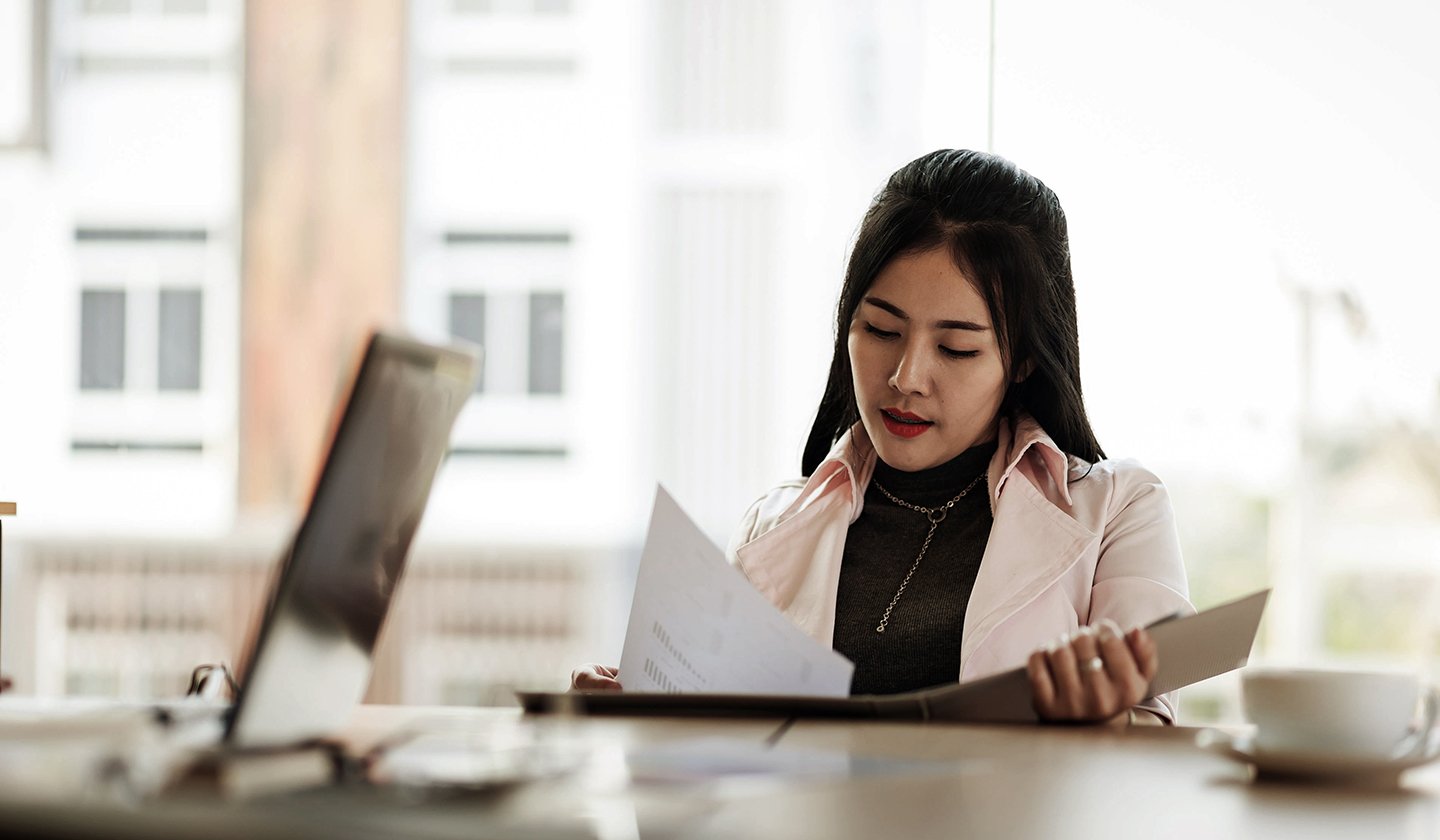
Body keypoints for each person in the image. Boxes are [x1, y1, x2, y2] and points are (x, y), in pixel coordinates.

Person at [574, 149, 1194, 724]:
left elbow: (1158, 759)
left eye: (956, 348)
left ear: (1024, 361)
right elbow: (727, 770)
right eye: (880, 330)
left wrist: (1102, 721)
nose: (905, 378)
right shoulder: (773, 525)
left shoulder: (1119, 511)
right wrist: (648, 722)